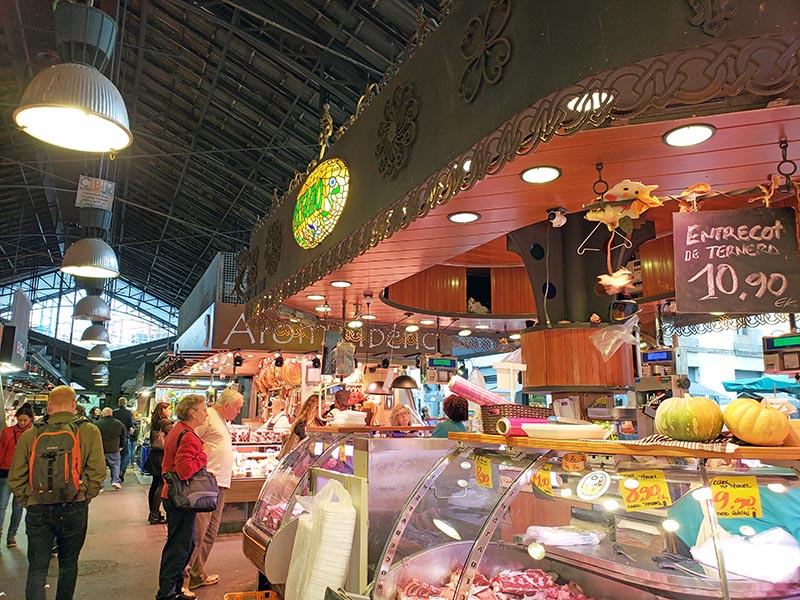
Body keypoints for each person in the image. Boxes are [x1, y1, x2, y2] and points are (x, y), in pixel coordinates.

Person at [8, 385, 105, 600]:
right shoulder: (88, 431)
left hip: (37, 508)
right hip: (73, 506)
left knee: (37, 568)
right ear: (73, 405)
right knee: (68, 565)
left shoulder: (30, 434)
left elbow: (15, 477)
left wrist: (29, 499)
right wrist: (83, 495)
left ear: (49, 406)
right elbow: (97, 472)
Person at [183, 388, 243, 591]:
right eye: (237, 407)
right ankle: (183, 580)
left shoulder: (222, 420)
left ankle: (197, 574)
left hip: (220, 483)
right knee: (199, 532)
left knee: (210, 532)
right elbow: (191, 441)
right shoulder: (208, 417)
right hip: (206, 482)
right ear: (226, 405)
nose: (238, 411)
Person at [156, 394, 208, 600]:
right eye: (203, 409)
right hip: (181, 498)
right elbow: (185, 470)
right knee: (179, 547)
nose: (205, 413)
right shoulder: (187, 435)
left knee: (181, 544)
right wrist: (204, 455)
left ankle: (173, 590)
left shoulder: (178, 430)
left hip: (172, 495)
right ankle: (168, 594)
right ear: (192, 412)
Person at [0, 402, 34, 547]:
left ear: (30, 420)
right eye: (20, 420)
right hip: (5, 472)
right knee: (1, 505)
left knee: (18, 507)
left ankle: (11, 535)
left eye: (25, 420)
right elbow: (1, 450)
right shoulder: (7, 432)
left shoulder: (33, 435)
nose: (21, 423)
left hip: (23, 475)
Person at [144, 401, 174, 525]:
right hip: (162, 456)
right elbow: (174, 436)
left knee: (155, 484)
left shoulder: (155, 421)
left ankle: (152, 512)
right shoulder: (166, 422)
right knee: (161, 484)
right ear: (162, 410)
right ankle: (156, 514)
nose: (170, 411)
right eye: (168, 409)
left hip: (154, 455)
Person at [279, 394, 324, 459]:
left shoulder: (317, 421)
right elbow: (307, 446)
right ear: (315, 408)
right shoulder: (302, 424)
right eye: (323, 408)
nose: (324, 410)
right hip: (298, 461)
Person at [94, 407, 126, 490]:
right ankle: (115, 481)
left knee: (101, 467)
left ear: (103, 414)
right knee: (115, 465)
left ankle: (100, 484)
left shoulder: (97, 424)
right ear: (112, 414)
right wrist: (121, 446)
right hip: (114, 448)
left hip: (101, 449)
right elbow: (123, 436)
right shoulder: (119, 424)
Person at [112, 397, 135, 480]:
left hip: (115, 437)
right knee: (125, 455)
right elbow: (130, 425)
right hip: (125, 436)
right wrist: (131, 430)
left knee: (115, 455)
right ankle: (121, 471)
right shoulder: (129, 413)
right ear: (126, 403)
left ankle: (115, 472)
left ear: (118, 403)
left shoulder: (114, 413)